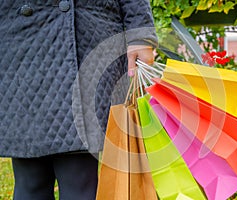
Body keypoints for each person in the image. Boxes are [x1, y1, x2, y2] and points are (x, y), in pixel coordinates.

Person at [0, 1, 157, 199]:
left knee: (79, 176)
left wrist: (140, 33)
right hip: (20, 38)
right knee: (31, 177)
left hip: (86, 34)